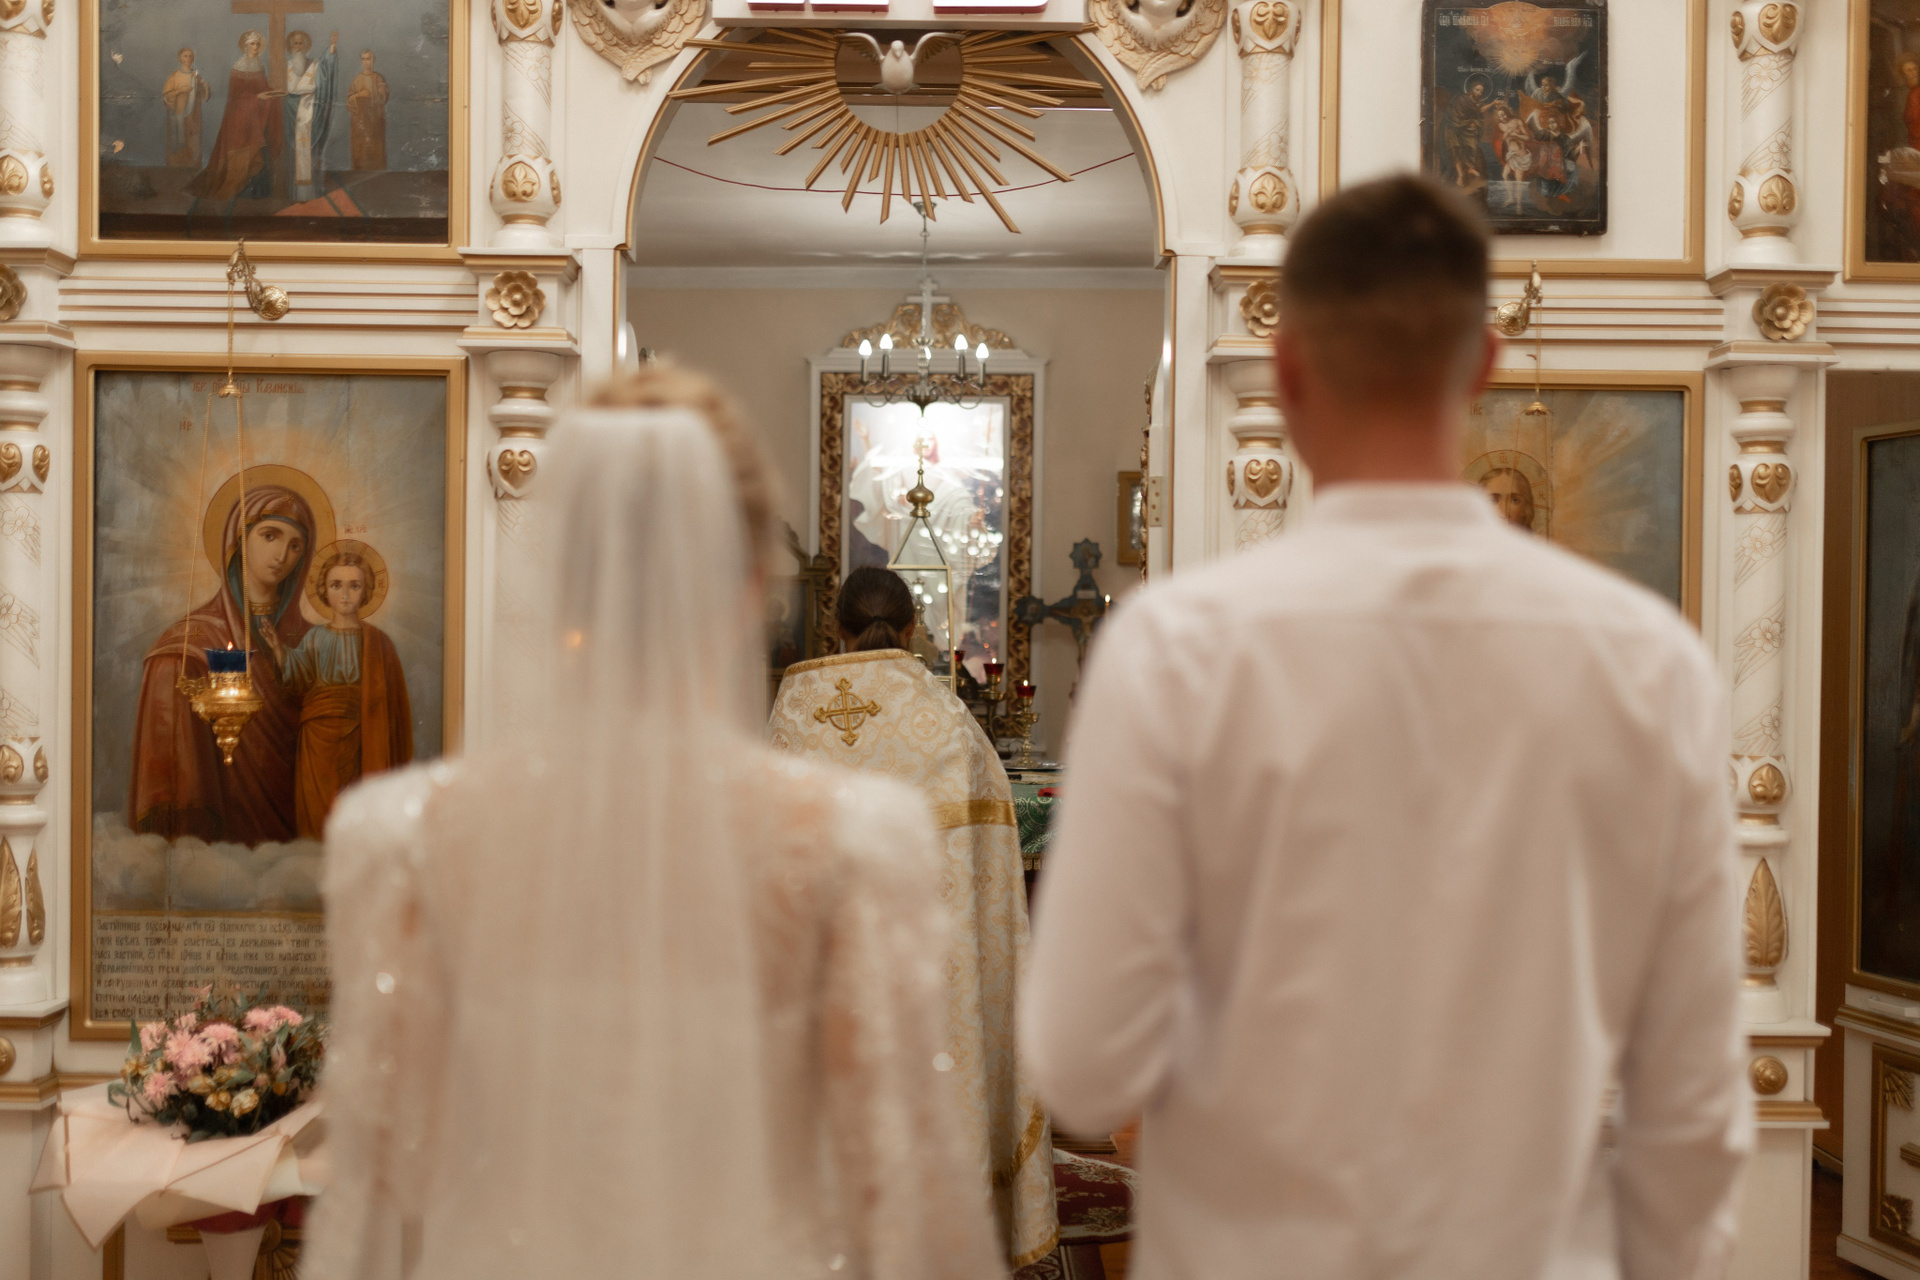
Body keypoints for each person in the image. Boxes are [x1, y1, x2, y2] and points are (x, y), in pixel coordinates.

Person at [1019, 175, 1748, 1280]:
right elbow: (1692, 1093)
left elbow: (1082, 1063)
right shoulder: (1650, 662)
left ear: (1287, 371)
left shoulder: (1177, 650)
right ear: (1484, 364)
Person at [307, 368, 1004, 1280]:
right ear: (754, 586)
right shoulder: (860, 840)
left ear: (558, 577)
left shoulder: (395, 838)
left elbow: (385, 1182)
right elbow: (900, 1190)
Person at [769, 564, 1059, 1270]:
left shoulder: (791, 724)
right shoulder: (948, 726)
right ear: (910, 628)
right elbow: (990, 878)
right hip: (934, 992)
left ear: (834, 628)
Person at [128, 485, 315, 845]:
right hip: (216, 847)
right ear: (238, 541)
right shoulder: (186, 645)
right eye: (270, 536)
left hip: (301, 825)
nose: (282, 555)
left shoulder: (314, 642)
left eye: (296, 546)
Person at [263, 543, 412, 839]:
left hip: (362, 734)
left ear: (366, 591)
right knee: (318, 805)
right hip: (317, 736)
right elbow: (299, 676)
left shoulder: (379, 643)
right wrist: (279, 650)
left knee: (355, 802)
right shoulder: (315, 637)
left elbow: (392, 704)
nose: (345, 594)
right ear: (324, 590)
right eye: (336, 585)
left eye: (354, 586)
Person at [186, 30, 282, 204]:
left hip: (258, 115)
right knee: (245, 149)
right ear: (245, 46)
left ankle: (259, 190)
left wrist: (272, 93)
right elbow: (236, 97)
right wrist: (257, 98)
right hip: (240, 117)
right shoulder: (239, 66)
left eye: (257, 44)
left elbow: (262, 88)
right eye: (252, 44)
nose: (255, 47)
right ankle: (241, 189)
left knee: (260, 150)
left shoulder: (259, 65)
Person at [283, 30, 337, 203]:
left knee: (311, 153)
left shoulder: (315, 64)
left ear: (306, 46)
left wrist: (332, 49)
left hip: (311, 113)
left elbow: (326, 70)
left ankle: (312, 193)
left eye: (301, 43)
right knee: (294, 154)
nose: (298, 47)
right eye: (295, 44)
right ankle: (295, 194)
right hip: (291, 113)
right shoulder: (286, 66)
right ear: (291, 47)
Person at [161, 48, 210, 168]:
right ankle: (175, 166)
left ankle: (193, 166)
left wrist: (202, 83)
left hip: (193, 115)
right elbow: (166, 96)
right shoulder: (174, 76)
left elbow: (205, 94)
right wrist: (180, 91)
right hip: (177, 113)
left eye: (190, 56)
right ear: (180, 59)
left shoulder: (196, 76)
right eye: (185, 56)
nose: (188, 59)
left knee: (192, 140)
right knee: (177, 141)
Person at [347, 50, 389, 170]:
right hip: (359, 121)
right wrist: (358, 95)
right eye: (363, 59)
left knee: (375, 148)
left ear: (373, 60)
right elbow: (349, 99)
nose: (366, 62)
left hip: (375, 119)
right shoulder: (357, 79)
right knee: (360, 150)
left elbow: (383, 97)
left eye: (368, 59)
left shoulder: (378, 78)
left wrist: (374, 92)